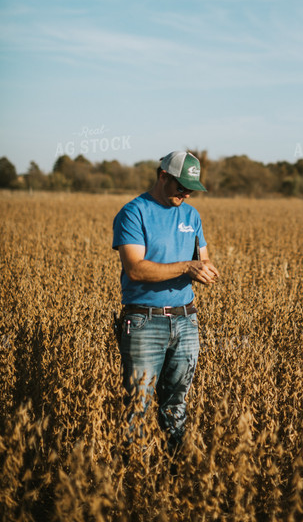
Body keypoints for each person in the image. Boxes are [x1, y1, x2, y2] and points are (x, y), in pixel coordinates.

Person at [112, 151, 219, 453]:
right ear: (163, 176)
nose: (186, 193)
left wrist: (206, 269)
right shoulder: (134, 212)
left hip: (186, 321)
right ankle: (133, 482)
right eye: (181, 185)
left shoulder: (192, 216)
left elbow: (202, 258)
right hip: (144, 322)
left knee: (176, 404)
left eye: (191, 188)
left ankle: (175, 479)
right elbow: (135, 268)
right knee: (137, 406)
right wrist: (187, 267)